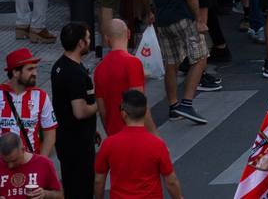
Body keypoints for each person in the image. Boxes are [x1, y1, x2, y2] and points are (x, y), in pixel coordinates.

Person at [137, 0, 209, 124]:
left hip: (162, 20)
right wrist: (197, 18)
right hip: (181, 17)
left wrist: (149, 11)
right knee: (201, 57)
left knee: (171, 62)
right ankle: (187, 103)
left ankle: (173, 106)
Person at [93, 90, 184, 199]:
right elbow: (171, 181)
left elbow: (99, 180)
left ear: (123, 114)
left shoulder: (109, 144)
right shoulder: (157, 145)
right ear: (145, 113)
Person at [50, 22, 98, 199]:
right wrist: (99, 106)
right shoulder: (75, 74)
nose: (89, 40)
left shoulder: (58, 66)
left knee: (71, 185)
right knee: (82, 189)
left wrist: (93, 129)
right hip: (78, 144)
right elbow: (80, 111)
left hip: (65, 138)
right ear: (80, 43)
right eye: (88, 38)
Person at [93, 19, 153, 137]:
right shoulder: (133, 63)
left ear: (106, 39)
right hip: (134, 136)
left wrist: (110, 134)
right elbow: (139, 106)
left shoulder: (99, 69)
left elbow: (102, 110)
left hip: (113, 136)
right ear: (129, 34)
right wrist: (154, 135)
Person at [0, 49, 55, 158]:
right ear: (15, 72)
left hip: (30, 164)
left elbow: (50, 133)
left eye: (35, 68)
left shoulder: (41, 97)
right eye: (30, 69)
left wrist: (40, 162)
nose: (35, 73)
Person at [0, 131, 60, 198]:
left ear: (23, 150)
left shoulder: (44, 163)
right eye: (5, 161)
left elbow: (60, 195)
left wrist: (45, 194)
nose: (10, 166)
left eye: (14, 160)